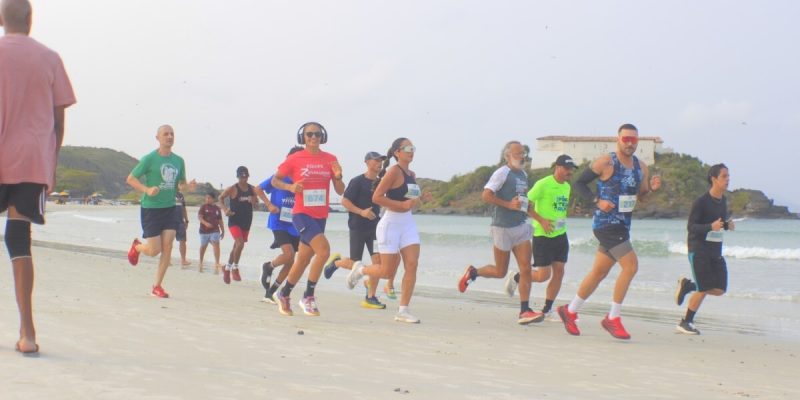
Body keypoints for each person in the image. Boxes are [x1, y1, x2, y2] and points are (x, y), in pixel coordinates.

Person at [0, 0, 76, 354]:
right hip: (31, 161)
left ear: (2, 19)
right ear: (30, 19)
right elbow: (59, 121)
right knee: (18, 239)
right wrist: (52, 161)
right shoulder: (50, 58)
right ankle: (27, 333)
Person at [557, 124, 661, 339]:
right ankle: (613, 318)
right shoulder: (606, 161)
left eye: (634, 140)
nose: (630, 143)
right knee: (631, 266)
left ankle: (570, 311)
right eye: (626, 139)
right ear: (618, 139)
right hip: (606, 223)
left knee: (599, 272)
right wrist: (598, 200)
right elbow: (580, 184)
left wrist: (651, 188)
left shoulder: (641, 167)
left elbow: (642, 197)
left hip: (623, 224)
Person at [457, 141, 543, 324]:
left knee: (526, 268)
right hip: (502, 227)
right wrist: (508, 205)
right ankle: (473, 273)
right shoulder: (502, 173)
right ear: (507, 156)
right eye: (518, 153)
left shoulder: (524, 175)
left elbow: (523, 201)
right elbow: (486, 195)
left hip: (520, 226)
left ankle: (524, 310)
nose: (522, 157)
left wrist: (539, 219)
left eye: (523, 154)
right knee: (500, 271)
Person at [345, 138, 424, 323]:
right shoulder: (393, 172)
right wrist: (402, 205)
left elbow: (412, 200)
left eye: (413, 148)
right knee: (387, 272)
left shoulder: (411, 174)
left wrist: (417, 201)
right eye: (407, 148)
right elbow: (377, 197)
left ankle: (403, 310)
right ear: (397, 152)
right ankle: (361, 270)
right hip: (390, 224)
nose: (411, 151)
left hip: (408, 224)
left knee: (412, 265)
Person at [271, 122, 345, 317]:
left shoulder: (330, 159)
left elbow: (340, 190)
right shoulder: (295, 159)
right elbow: (274, 180)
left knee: (303, 260)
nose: (314, 137)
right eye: (309, 134)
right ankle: (308, 296)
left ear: (323, 137)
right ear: (302, 137)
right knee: (324, 251)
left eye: (317, 134)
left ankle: (284, 293)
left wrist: (337, 176)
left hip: (321, 215)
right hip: (301, 214)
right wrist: (290, 188)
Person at [126, 124, 195, 298]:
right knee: (154, 250)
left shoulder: (178, 161)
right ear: (158, 137)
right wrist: (147, 190)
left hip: (170, 208)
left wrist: (189, 187)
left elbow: (181, 185)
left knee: (168, 246)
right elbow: (131, 179)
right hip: (151, 209)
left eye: (172, 134)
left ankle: (157, 286)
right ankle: (137, 246)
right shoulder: (149, 159)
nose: (169, 137)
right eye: (166, 134)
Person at [324, 151, 397, 309]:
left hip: (375, 228)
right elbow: (344, 201)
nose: (379, 163)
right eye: (376, 160)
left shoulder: (381, 182)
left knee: (378, 264)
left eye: (381, 161)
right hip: (357, 226)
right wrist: (361, 212)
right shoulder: (357, 181)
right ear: (367, 162)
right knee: (354, 263)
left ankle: (370, 297)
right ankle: (336, 263)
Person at [674, 164, 734, 335]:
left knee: (720, 289)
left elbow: (719, 224)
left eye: (728, 176)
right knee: (704, 288)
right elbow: (691, 227)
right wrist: (710, 226)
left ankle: (688, 286)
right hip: (698, 249)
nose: (728, 179)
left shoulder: (723, 201)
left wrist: (727, 226)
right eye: (724, 176)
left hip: (715, 250)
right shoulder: (701, 202)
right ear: (714, 179)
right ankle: (685, 322)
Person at [255, 146, 302, 303]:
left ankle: (271, 292)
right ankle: (268, 266)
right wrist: (269, 205)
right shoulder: (278, 177)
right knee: (288, 254)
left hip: (294, 223)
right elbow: (258, 189)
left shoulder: (301, 179)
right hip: (278, 222)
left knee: (291, 262)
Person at [218, 166, 262, 284]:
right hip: (234, 220)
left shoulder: (252, 189)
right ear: (237, 177)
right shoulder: (232, 189)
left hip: (246, 221)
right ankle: (235, 268)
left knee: (236, 246)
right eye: (242, 177)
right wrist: (225, 209)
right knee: (240, 244)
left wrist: (254, 201)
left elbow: (257, 206)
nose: (244, 179)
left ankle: (226, 268)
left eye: (246, 176)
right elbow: (220, 198)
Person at [198, 192, 225, 274]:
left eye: (209, 198)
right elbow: (200, 217)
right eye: (206, 198)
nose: (207, 199)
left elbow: (220, 220)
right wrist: (206, 223)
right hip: (204, 231)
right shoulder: (203, 207)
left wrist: (223, 230)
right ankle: (201, 261)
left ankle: (217, 263)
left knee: (216, 243)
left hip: (215, 230)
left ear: (213, 199)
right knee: (203, 246)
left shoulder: (217, 209)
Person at [175, 187, 191, 267]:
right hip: (169, 222)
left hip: (180, 222)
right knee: (167, 242)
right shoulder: (167, 193)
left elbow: (184, 208)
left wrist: (187, 220)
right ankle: (167, 260)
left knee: (183, 241)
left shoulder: (180, 195)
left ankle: (183, 260)